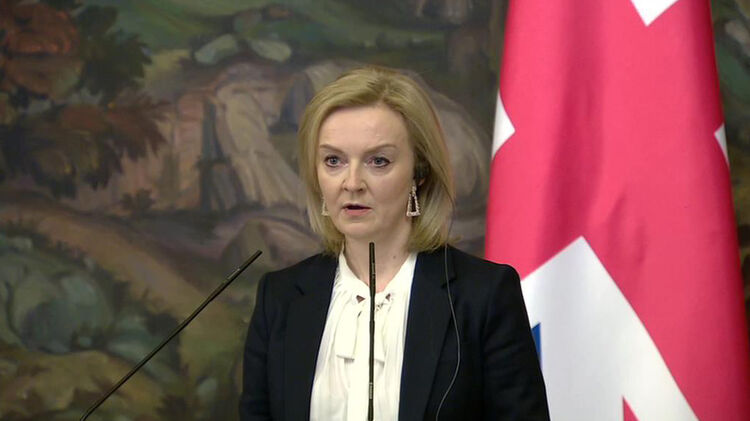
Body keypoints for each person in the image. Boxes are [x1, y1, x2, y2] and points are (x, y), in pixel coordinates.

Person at [240, 66, 549, 420]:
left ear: (420, 172)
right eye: (333, 161)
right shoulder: (279, 299)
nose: (351, 182)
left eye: (378, 161)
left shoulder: (484, 296)